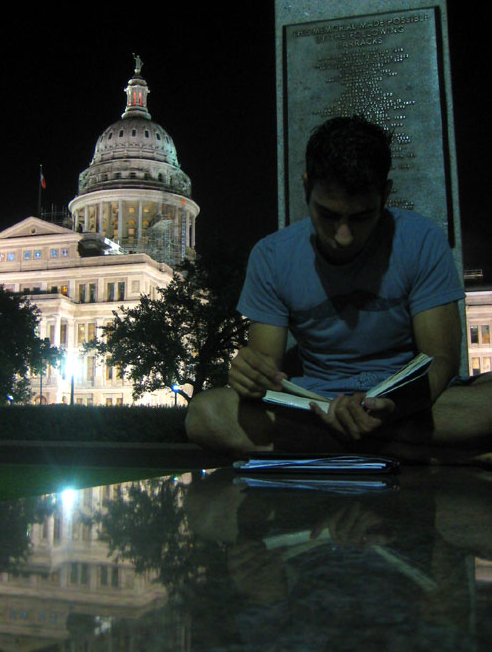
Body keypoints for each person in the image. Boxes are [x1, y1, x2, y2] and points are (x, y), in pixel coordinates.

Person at [186, 116, 492, 461]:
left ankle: (352, 445)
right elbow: (267, 367)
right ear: (306, 188)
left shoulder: (422, 240)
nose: (343, 236)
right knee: (206, 414)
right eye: (329, 215)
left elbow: (441, 359)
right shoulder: (272, 256)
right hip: (315, 402)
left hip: (406, 401)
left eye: (361, 217)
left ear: (385, 194)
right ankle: (424, 453)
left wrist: (395, 407)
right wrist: (250, 375)